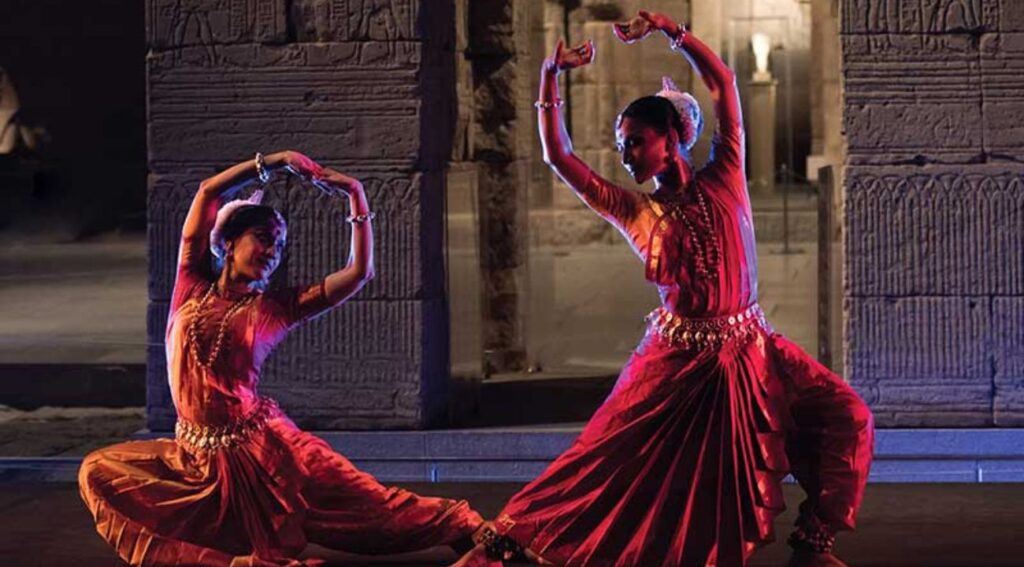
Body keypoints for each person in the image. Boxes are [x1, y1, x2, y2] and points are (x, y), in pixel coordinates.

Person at [453, 10, 873, 567]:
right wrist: (550, 77)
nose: (625, 154)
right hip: (677, 360)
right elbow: (559, 157)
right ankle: (505, 545)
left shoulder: (726, 172)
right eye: (622, 144)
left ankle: (813, 545)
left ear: (671, 137)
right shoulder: (634, 208)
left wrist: (670, 31)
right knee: (606, 461)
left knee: (848, 416)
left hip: (754, 349)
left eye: (635, 141)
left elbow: (723, 82)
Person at [79, 151, 484, 566]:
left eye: (279, 244)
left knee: (375, 509)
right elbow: (208, 191)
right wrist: (274, 161)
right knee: (97, 472)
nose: (273, 250)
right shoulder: (191, 282)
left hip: (267, 454)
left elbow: (359, 272)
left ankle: (464, 527)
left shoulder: (276, 308)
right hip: (195, 460)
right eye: (264, 237)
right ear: (230, 241)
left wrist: (355, 195)